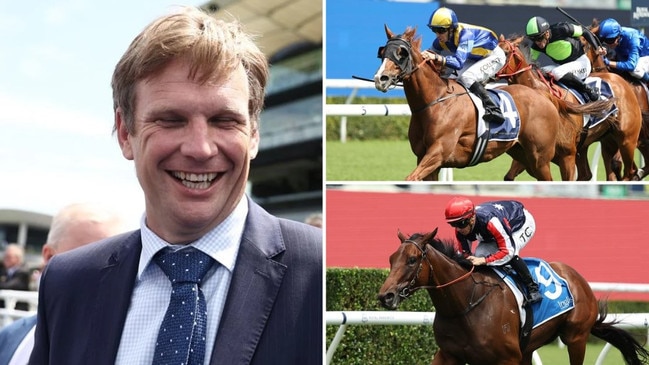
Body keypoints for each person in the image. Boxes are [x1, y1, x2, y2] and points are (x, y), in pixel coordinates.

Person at [29, 6, 322, 365]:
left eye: (224, 120)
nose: (200, 148)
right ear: (125, 132)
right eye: (170, 120)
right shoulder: (67, 283)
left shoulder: (322, 271)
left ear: (254, 134)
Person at [0, 203, 128, 365]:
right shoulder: (10, 338)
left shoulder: (136, 350)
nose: (103, 273)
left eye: (117, 261)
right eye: (87, 257)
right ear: (49, 257)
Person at [444, 197, 542, 304]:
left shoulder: (491, 222)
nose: (457, 229)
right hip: (493, 232)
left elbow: (508, 252)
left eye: (460, 224)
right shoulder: (461, 229)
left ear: (471, 219)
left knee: (511, 254)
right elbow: (465, 255)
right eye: (453, 224)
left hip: (520, 224)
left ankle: (533, 288)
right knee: (479, 254)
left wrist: (485, 260)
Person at [423, 7, 506, 123]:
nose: (438, 35)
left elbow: (458, 63)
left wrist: (437, 57)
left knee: (467, 77)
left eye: (441, 30)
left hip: (493, 56)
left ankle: (494, 109)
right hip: (474, 58)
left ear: (451, 29)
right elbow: (427, 55)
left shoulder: (466, 35)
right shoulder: (440, 40)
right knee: (450, 80)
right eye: (434, 30)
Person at [524, 16, 600, 102]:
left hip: (581, 63)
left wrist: (597, 48)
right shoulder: (536, 46)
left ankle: (589, 89)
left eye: (539, 38)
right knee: (540, 72)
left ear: (547, 33)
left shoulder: (562, 28)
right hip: (564, 67)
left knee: (556, 72)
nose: (538, 43)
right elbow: (528, 64)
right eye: (534, 40)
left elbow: (585, 31)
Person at [596, 18, 649, 83]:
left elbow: (631, 65)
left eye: (610, 40)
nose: (607, 43)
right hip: (626, 56)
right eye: (604, 40)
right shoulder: (614, 37)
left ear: (618, 37)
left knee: (635, 70)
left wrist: (608, 63)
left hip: (644, 57)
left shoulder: (633, 38)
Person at [0, 244, 31, 310]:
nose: (5, 259)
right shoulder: (3, 270)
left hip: (17, 311)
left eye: (9, 257)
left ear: (18, 258)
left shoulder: (23, 272)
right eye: (5, 256)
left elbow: (9, 286)